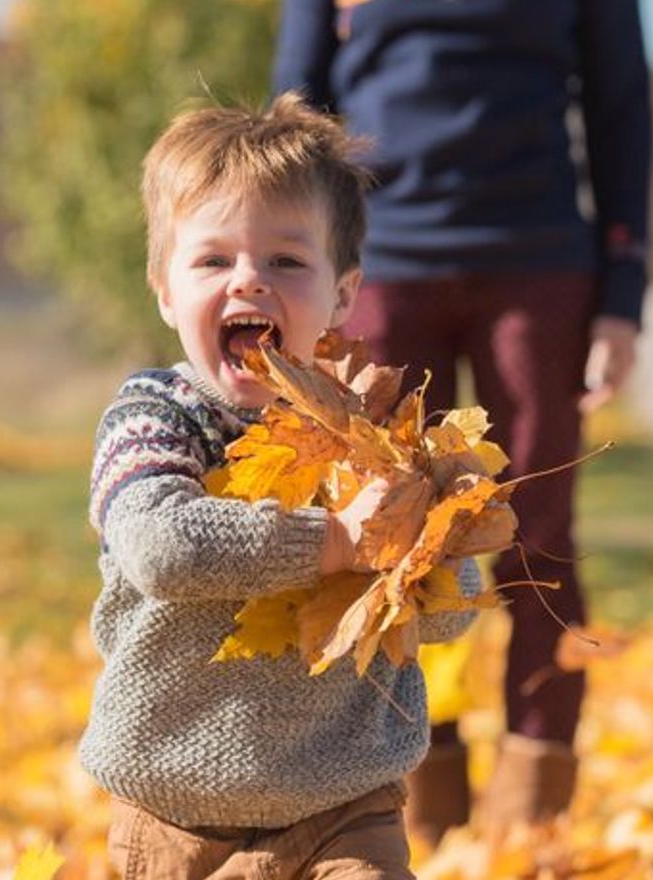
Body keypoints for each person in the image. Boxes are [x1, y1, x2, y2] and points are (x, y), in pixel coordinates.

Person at [272, 0, 653, 840]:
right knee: (396, 542)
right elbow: (296, 109)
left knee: (539, 539)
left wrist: (622, 295)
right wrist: (295, 281)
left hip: (539, 264)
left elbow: (620, 99)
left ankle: (534, 817)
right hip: (378, 269)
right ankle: (417, 809)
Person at [80, 94, 482, 880]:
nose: (250, 282)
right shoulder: (155, 418)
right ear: (164, 288)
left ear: (343, 294)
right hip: (175, 811)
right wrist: (336, 541)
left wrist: (419, 540)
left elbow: (451, 613)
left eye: (286, 262)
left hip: (345, 804)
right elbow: (160, 548)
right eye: (213, 261)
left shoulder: (373, 435)